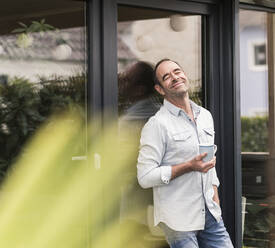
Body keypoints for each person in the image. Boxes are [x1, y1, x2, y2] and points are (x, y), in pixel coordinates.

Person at [137, 58, 234, 248]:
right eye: (166, 77)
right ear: (160, 90)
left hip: (210, 213)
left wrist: (215, 199)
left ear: (185, 75)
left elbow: (209, 164)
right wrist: (188, 166)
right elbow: (145, 177)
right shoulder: (157, 125)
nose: (174, 77)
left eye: (177, 71)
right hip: (178, 220)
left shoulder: (205, 116)